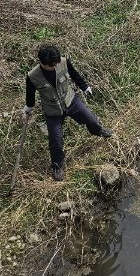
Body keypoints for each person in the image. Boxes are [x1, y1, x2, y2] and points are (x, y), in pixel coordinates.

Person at [23, 44, 112, 182]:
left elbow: (74, 74)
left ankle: (98, 131)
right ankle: (57, 166)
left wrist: (84, 86)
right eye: (51, 65)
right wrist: (29, 107)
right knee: (56, 141)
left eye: (56, 63)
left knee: (91, 119)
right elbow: (30, 94)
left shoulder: (63, 61)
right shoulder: (32, 76)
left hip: (70, 100)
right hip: (52, 111)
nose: (54, 66)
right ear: (42, 63)